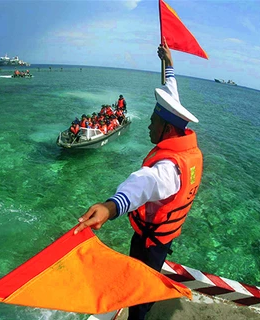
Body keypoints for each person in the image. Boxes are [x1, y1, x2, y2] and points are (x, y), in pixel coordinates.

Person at [74, 41, 203, 320]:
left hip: (150, 242)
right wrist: (169, 63)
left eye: (153, 122)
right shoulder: (186, 147)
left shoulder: (169, 168)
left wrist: (109, 207)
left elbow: (143, 184)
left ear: (167, 128)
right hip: (166, 234)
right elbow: (172, 92)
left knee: (139, 291)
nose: (147, 125)